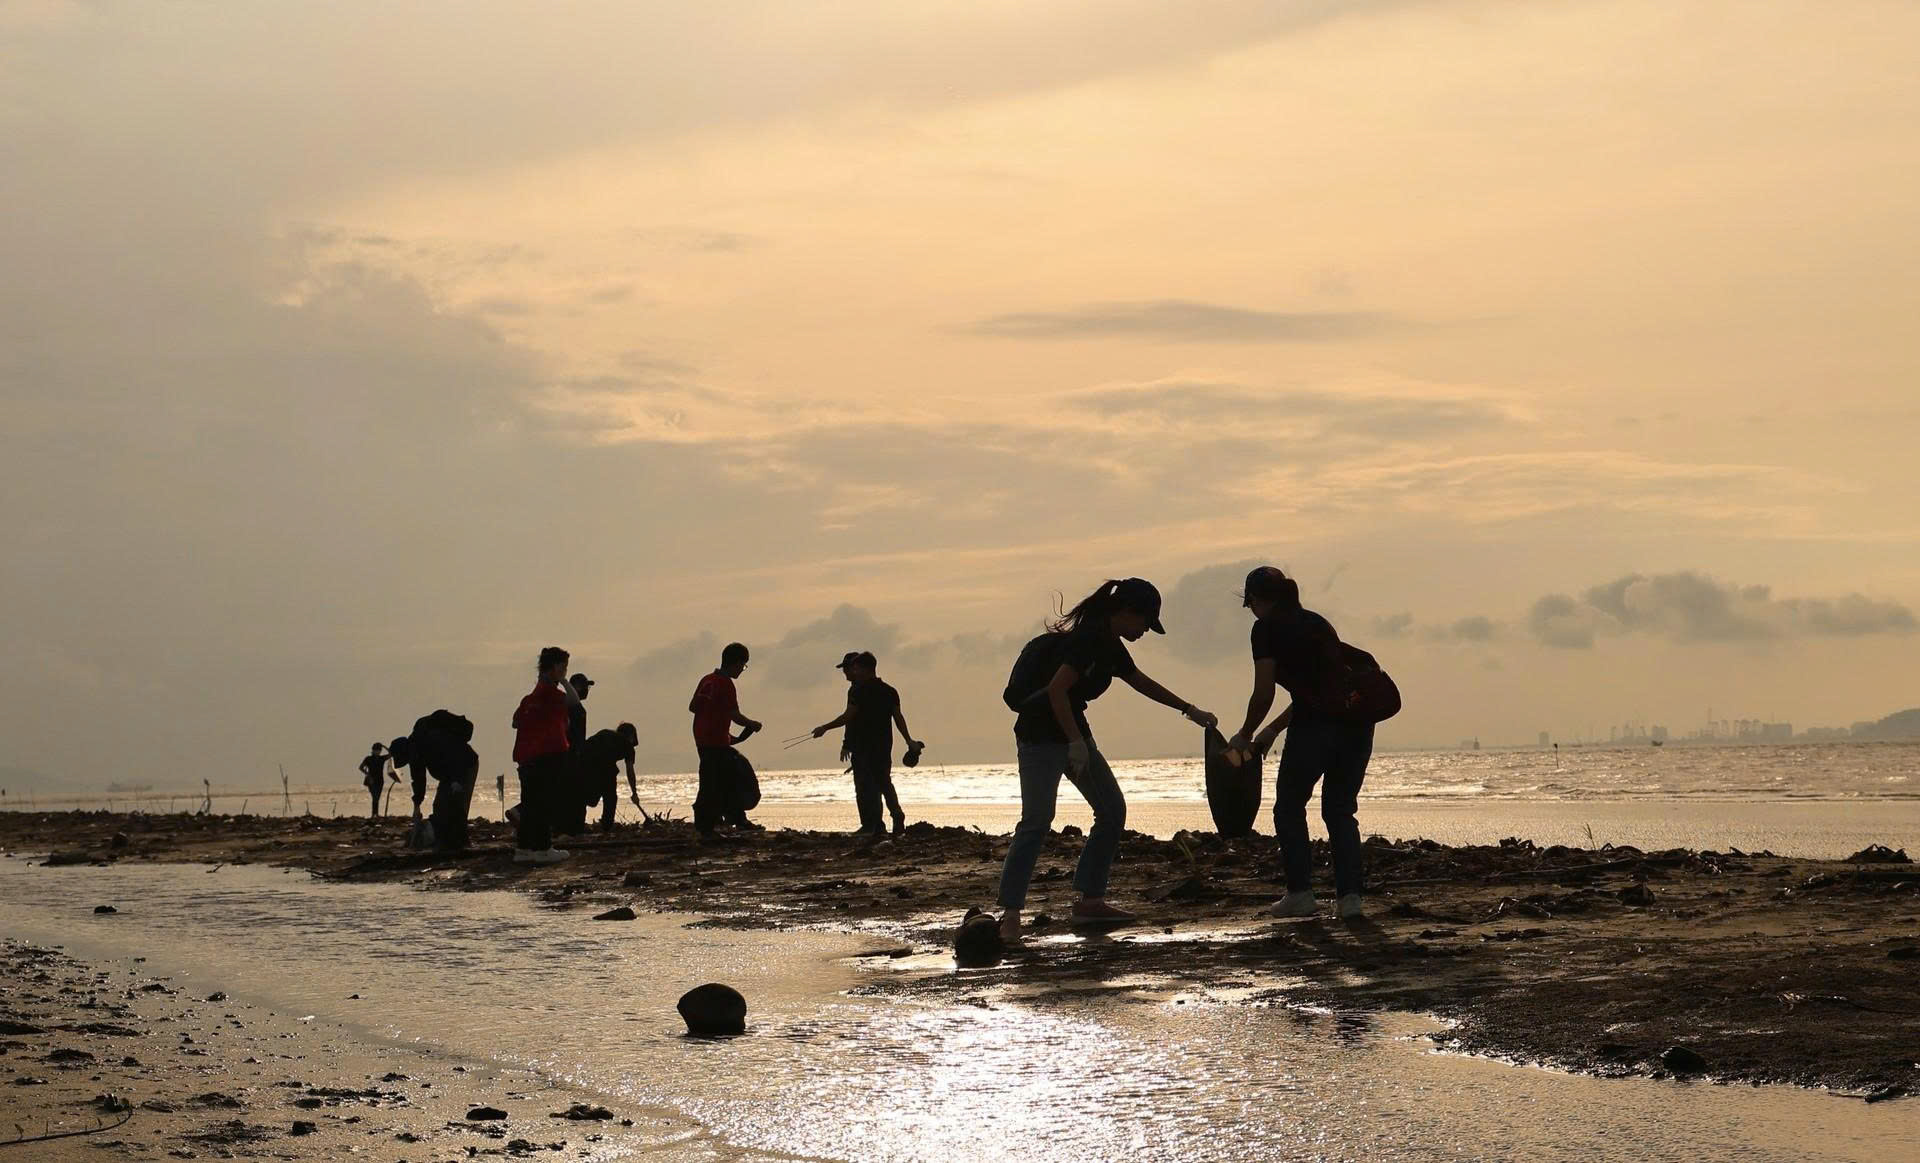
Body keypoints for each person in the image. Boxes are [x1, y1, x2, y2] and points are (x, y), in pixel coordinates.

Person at [996, 578, 1216, 941]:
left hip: (1074, 733)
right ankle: (1010, 916)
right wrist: (1074, 744)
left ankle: (1089, 901)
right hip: (1040, 737)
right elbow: (1056, 690)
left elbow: (1141, 682)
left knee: (1112, 810)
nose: (1146, 630)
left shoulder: (1111, 647)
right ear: (1126, 611)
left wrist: (1189, 710)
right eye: (1145, 621)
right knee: (1036, 821)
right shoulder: (1088, 640)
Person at [1225, 566, 1377, 920]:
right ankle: (1350, 900)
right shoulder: (1318, 624)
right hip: (1357, 725)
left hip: (1314, 729)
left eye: (1249, 604)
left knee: (1289, 808)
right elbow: (1323, 692)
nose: (1250, 610)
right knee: (1340, 810)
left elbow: (1263, 692)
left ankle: (1300, 894)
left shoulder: (1265, 629)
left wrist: (1245, 733)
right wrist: (1273, 731)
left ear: (1257, 600)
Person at [811, 651, 920, 839]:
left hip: (863, 745)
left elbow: (848, 716)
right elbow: (898, 718)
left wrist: (825, 727)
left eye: (856, 668)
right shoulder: (890, 690)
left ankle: (872, 825)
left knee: (864, 786)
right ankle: (895, 815)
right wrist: (908, 740)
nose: (853, 671)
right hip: (884, 745)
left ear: (866, 669)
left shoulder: (858, 691)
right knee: (884, 782)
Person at [689, 642, 761, 839]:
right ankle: (706, 827)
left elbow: (694, 707)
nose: (742, 670)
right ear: (736, 663)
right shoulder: (725, 684)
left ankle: (735, 818)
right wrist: (752, 724)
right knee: (714, 783)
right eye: (743, 665)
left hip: (705, 739)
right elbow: (734, 714)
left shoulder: (707, 680)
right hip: (715, 742)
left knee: (724, 779)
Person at [510, 646, 574, 864]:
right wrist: (564, 681)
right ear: (554, 668)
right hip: (546, 755)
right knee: (544, 803)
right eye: (562, 667)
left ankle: (525, 848)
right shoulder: (551, 696)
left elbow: (515, 721)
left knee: (530, 804)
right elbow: (574, 702)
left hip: (527, 757)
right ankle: (543, 847)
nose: (565, 670)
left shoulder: (530, 699)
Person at [391, 710, 479, 852]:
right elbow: (418, 779)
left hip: (464, 766)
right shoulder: (415, 753)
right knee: (440, 806)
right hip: (449, 775)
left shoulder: (429, 739)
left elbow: (452, 754)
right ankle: (447, 841)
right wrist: (417, 801)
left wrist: (456, 780)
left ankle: (460, 843)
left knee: (457, 805)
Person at [577, 721, 642, 832]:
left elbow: (584, 747)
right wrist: (634, 792)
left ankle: (577, 825)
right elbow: (630, 771)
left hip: (583, 765)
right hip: (602, 768)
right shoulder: (628, 745)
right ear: (631, 735)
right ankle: (606, 826)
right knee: (610, 798)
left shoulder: (604, 733)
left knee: (582, 797)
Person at [556, 672, 594, 837]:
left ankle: (570, 826)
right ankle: (573, 827)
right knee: (574, 792)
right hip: (570, 755)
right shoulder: (573, 707)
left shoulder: (572, 707)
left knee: (570, 792)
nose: (587, 690)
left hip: (571, 754)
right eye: (586, 686)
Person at [358, 743, 393, 818]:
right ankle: (374, 814)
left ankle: (375, 814)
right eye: (376, 750)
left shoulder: (381, 758)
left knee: (377, 798)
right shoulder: (368, 759)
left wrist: (383, 746)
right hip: (371, 780)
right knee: (375, 797)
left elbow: (391, 754)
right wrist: (368, 774)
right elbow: (361, 767)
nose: (377, 752)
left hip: (380, 780)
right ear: (373, 750)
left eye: (379, 750)